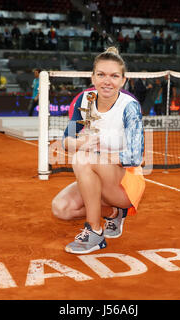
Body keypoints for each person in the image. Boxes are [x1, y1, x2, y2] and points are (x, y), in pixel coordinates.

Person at [51, 47, 145, 254]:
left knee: (84, 159)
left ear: (123, 80)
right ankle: (113, 212)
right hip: (94, 173)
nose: (107, 81)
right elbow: (66, 140)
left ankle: (94, 230)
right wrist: (80, 144)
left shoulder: (129, 106)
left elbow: (135, 156)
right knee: (61, 208)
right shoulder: (86, 101)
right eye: (101, 75)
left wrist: (98, 154)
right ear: (92, 77)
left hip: (124, 183)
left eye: (114, 76)